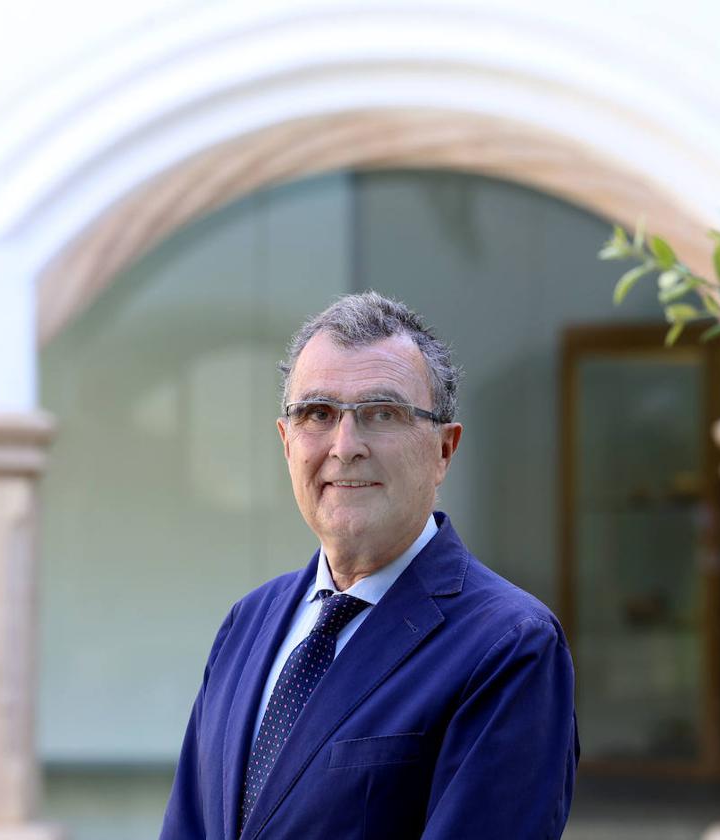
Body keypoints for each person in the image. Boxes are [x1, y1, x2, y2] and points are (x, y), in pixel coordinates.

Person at [159, 291, 578, 840]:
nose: (345, 445)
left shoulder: (510, 645)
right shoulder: (249, 621)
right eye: (317, 413)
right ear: (287, 442)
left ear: (443, 451)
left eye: (382, 413)